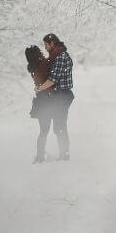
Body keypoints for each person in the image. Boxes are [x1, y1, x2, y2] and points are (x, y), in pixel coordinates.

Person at [34, 33, 75, 161]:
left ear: (52, 43)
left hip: (62, 95)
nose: (45, 47)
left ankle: (64, 155)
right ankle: (63, 154)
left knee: (59, 126)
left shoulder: (61, 57)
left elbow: (53, 79)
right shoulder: (56, 55)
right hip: (58, 95)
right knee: (58, 126)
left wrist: (39, 88)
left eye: (46, 44)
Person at [25, 45, 53, 163]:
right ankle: (40, 155)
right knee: (49, 130)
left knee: (43, 130)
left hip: (41, 101)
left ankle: (40, 154)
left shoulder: (33, 66)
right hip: (47, 101)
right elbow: (49, 81)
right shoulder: (41, 66)